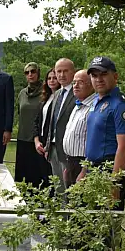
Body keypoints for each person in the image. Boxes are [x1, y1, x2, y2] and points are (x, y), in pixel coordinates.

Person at [84, 56, 125, 210]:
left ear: (115, 76)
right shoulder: (97, 100)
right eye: (94, 76)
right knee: (91, 225)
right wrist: (84, 170)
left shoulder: (120, 105)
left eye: (103, 74)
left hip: (108, 171)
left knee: (107, 227)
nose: (98, 79)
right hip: (92, 170)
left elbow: (124, 147)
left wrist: (114, 183)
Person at [15, 62, 52, 188]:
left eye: (33, 71)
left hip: (38, 140)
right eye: (27, 72)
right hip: (23, 138)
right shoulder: (22, 94)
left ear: (38, 72)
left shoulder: (46, 91)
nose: (30, 74)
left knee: (39, 176)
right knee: (24, 176)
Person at [44, 58, 76, 193]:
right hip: (53, 149)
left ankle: (68, 215)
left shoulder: (78, 93)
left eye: (65, 71)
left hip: (68, 151)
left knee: (69, 190)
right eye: (59, 71)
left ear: (73, 72)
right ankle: (59, 215)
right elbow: (52, 122)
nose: (61, 75)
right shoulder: (57, 94)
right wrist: (47, 146)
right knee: (58, 189)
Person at [62, 70, 96, 187]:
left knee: (79, 203)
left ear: (91, 84)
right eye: (74, 82)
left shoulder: (94, 108)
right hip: (71, 162)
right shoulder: (78, 106)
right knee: (70, 203)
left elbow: (94, 142)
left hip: (83, 165)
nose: (75, 86)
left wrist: (85, 171)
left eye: (80, 82)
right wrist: (68, 167)